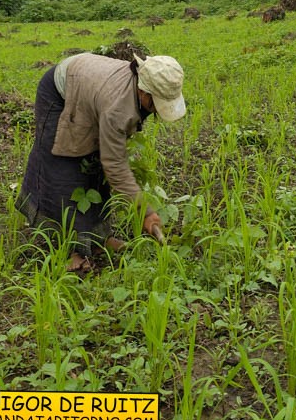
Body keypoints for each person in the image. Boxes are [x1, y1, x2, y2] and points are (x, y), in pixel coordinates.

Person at [16, 51, 186, 273]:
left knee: (94, 168)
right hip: (59, 93)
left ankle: (97, 239)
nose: (155, 109)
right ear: (144, 91)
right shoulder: (118, 106)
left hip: (88, 91)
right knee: (63, 171)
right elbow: (115, 164)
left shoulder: (135, 92)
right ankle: (69, 249)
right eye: (156, 103)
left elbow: (109, 158)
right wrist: (143, 210)